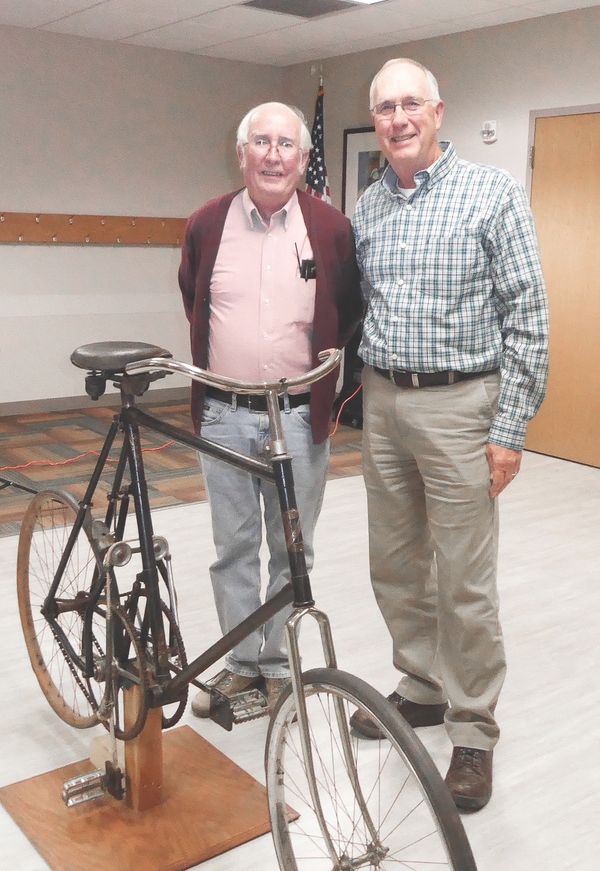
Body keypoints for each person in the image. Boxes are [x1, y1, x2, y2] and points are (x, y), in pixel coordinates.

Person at [350, 58, 549, 812]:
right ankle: (422, 687)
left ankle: (473, 730)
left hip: (462, 406)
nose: (397, 119)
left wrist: (511, 428)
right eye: (385, 109)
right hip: (384, 401)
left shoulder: (492, 194)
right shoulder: (368, 207)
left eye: (410, 104)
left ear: (438, 112)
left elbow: (527, 313)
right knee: (396, 563)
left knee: (464, 578)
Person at [178, 101, 362, 718]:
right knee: (233, 546)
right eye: (262, 143)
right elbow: (193, 298)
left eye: (287, 145)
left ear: (304, 159)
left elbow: (349, 308)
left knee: (292, 550)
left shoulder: (332, 229)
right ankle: (240, 666)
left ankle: (280, 669)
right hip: (226, 414)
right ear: (242, 154)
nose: (275, 155)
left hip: (299, 416)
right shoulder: (207, 224)